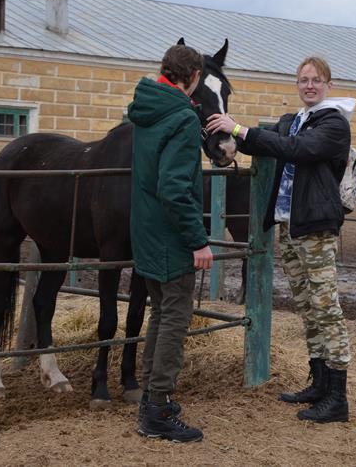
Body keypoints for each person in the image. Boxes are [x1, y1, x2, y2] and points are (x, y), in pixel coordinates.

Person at [206, 56, 353, 423]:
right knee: (307, 307)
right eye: (304, 80)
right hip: (290, 226)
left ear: (329, 85)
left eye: (316, 80)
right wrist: (228, 134)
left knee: (326, 307)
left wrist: (239, 129)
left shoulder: (333, 123)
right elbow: (264, 143)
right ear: (297, 84)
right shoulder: (294, 120)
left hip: (315, 226)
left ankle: (338, 396)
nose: (309, 86)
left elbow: (297, 149)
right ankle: (319, 383)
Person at [129, 43, 213, 443]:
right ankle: (158, 410)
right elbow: (175, 188)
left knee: (161, 314)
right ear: (194, 76)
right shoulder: (181, 117)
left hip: (145, 231)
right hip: (171, 235)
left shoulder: (147, 108)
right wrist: (198, 240)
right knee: (175, 319)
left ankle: (151, 399)